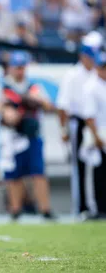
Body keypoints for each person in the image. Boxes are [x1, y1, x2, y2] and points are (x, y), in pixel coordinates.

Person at [0, 51, 55, 220]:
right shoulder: (2, 87)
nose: (19, 71)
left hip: (31, 135)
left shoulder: (34, 87)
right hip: (11, 136)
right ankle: (15, 209)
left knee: (38, 172)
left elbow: (48, 105)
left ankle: (45, 209)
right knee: (13, 174)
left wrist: (37, 101)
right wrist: (5, 109)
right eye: (17, 68)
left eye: (22, 68)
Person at [56, 31, 102, 216]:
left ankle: (98, 206)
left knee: (99, 167)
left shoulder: (98, 74)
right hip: (80, 124)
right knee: (80, 168)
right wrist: (63, 129)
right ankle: (81, 207)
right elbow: (62, 106)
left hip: (99, 125)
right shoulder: (72, 75)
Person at [79, 50, 106, 220]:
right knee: (97, 171)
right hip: (97, 134)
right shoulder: (91, 87)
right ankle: (96, 208)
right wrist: (97, 137)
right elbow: (89, 117)